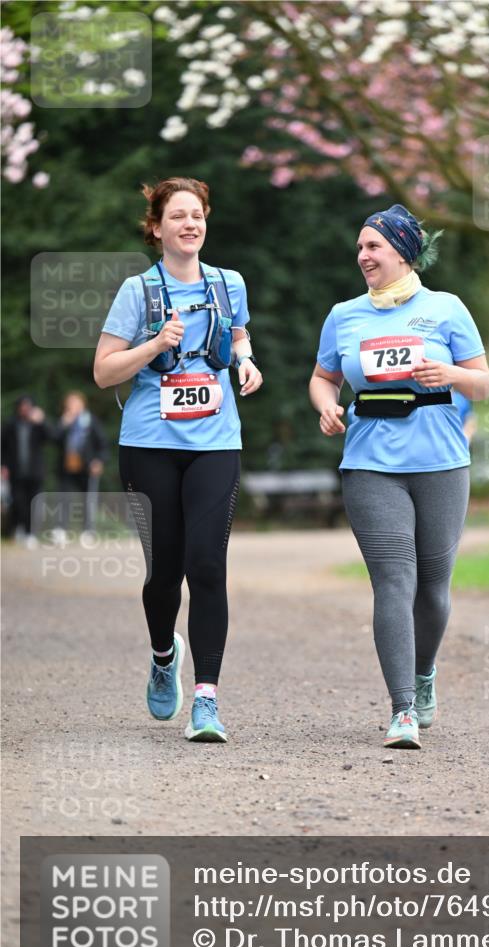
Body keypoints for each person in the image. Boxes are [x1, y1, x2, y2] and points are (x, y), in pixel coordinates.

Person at [310, 204, 489, 749]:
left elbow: (482, 384)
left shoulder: (447, 308)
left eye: (374, 246)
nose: (363, 255)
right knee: (394, 580)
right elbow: (323, 377)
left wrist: (451, 373)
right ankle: (402, 710)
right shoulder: (345, 315)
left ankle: (424, 672)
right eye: (360, 247)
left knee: (433, 587)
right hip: (370, 464)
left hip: (440, 463)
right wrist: (326, 406)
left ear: (404, 252)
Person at [93, 177, 262, 742]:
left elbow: (237, 337)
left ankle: (206, 701)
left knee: (208, 566)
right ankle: (165, 655)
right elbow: (104, 371)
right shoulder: (137, 291)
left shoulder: (228, 283)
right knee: (164, 572)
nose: (190, 224)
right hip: (148, 445)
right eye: (178, 216)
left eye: (198, 215)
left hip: (217, 441)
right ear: (158, 227)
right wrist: (154, 345)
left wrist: (245, 362)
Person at [54, 390, 108, 539]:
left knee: (88, 498)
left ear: (83, 404)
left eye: (76, 403)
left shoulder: (91, 421)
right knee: (64, 498)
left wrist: (99, 460)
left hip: (87, 466)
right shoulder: (64, 421)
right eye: (70, 403)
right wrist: (64, 424)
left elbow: (102, 443)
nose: (73, 406)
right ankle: (61, 529)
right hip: (67, 466)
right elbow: (54, 439)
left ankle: (88, 530)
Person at [1, 394, 52, 546]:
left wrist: (41, 422)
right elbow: (2, 447)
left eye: (28, 406)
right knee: (18, 502)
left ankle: (30, 534)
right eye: (22, 406)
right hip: (15, 472)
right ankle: (19, 529)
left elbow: (52, 436)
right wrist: (3, 465)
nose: (25, 409)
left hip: (34, 472)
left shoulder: (37, 425)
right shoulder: (11, 424)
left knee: (33, 503)